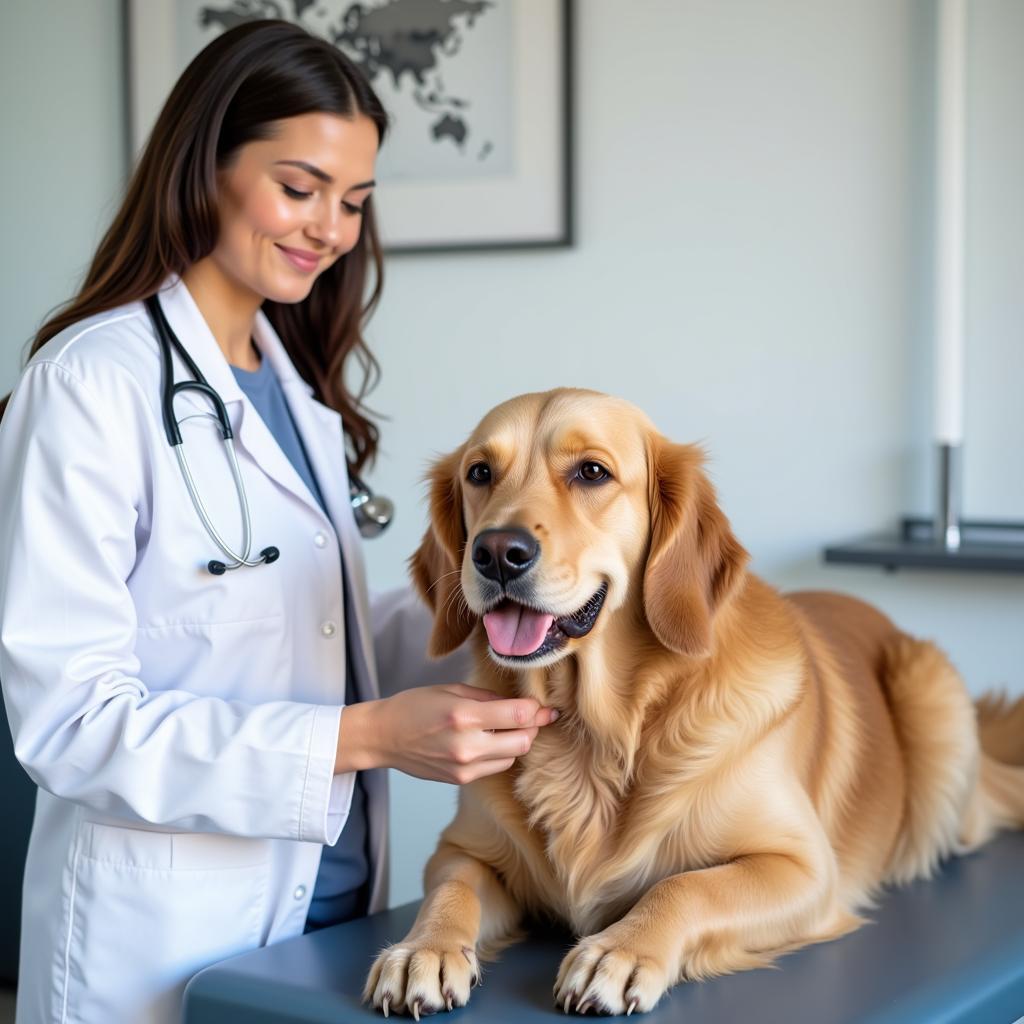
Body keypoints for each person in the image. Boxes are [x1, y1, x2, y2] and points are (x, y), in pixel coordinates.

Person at [0, 20, 556, 1024]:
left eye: (352, 202)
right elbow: (70, 721)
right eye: (299, 189)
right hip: (160, 937)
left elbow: (311, 636)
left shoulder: (291, 383)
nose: (330, 230)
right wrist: (372, 735)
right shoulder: (91, 382)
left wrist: (494, 613)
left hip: (329, 918)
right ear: (203, 166)